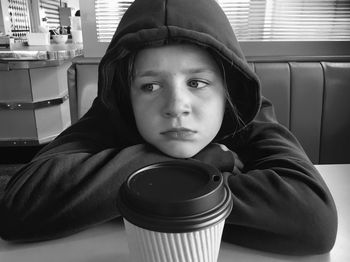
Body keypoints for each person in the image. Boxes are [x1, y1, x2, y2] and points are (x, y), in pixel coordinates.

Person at [0, 0, 337, 255]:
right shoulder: (113, 113)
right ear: (127, 96)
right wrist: (202, 163)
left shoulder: (246, 114)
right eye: (150, 87)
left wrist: (142, 187)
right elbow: (19, 206)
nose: (176, 107)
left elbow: (312, 218)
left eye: (197, 82)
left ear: (227, 89)